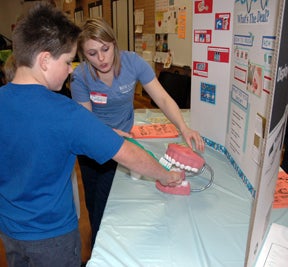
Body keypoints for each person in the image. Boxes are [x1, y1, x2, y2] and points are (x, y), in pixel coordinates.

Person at [0, 4, 184, 267]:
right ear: (44, 61)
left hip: (9, 231)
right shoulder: (65, 113)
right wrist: (167, 176)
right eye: (67, 61)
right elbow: (128, 154)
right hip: (52, 238)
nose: (70, 70)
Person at [70, 17, 205, 248]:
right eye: (92, 53)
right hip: (93, 145)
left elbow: (161, 97)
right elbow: (86, 122)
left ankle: (106, 246)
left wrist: (184, 127)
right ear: (83, 54)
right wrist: (110, 133)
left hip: (123, 142)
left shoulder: (133, 63)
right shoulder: (79, 76)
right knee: (94, 203)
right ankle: (98, 249)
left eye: (106, 49)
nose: (101, 59)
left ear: (114, 43)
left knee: (110, 201)